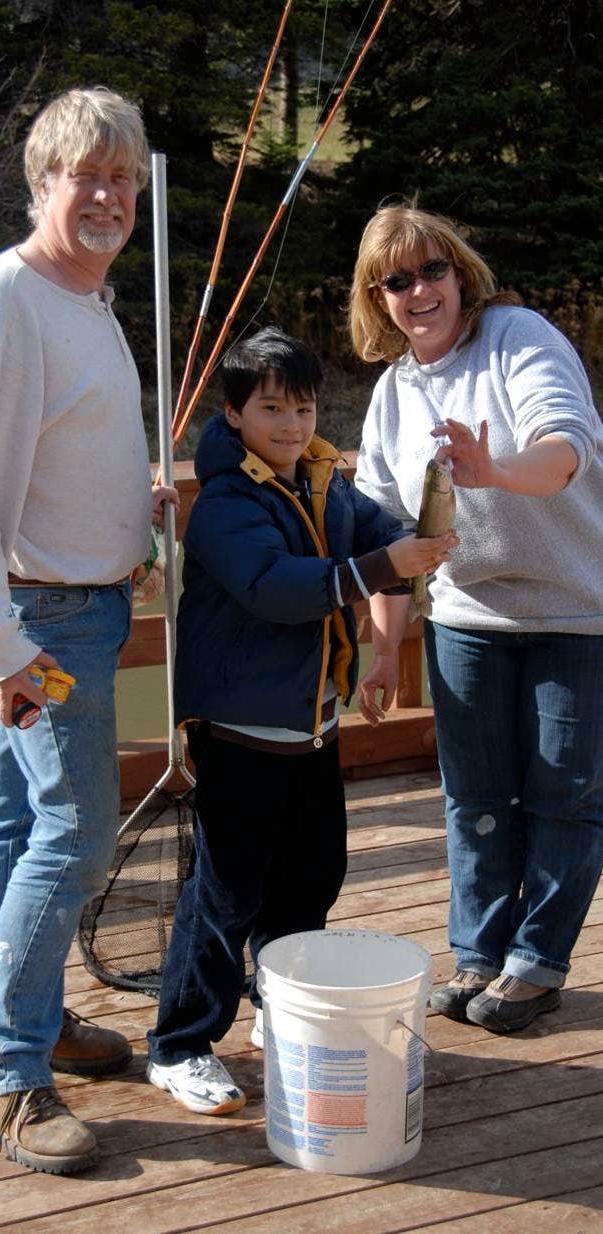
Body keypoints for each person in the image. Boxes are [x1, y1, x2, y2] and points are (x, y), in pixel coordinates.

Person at [0, 86, 176, 1175]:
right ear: (44, 183)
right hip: (43, 626)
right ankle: (12, 1076)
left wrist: (141, 517)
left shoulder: (90, 300)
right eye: (91, 176)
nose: (112, 197)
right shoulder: (6, 303)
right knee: (75, 835)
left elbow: (70, 455)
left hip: (88, 606)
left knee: (10, 831)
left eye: (125, 179)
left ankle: (24, 1021)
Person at [144, 326, 456, 1114]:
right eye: (273, 408)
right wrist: (388, 568)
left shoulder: (321, 478)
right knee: (225, 893)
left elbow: (370, 525)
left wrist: (410, 539)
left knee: (312, 878)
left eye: (305, 407)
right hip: (241, 737)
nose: (291, 425)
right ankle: (179, 1045)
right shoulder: (221, 503)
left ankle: (272, 1005)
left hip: (313, 728)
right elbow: (277, 588)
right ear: (236, 413)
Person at [350, 202, 603, 1034]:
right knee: (475, 798)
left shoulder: (520, 337)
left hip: (577, 610)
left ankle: (537, 964)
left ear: (461, 274)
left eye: (434, 270)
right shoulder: (393, 392)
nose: (420, 290)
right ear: (377, 298)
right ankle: (479, 954)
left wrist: (493, 467)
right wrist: (384, 651)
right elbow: (388, 538)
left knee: (565, 796)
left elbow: (566, 447)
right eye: (398, 279)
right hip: (466, 619)